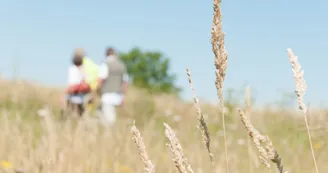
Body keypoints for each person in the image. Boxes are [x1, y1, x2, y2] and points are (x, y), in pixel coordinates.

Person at [97, 47, 129, 125]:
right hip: (118, 95)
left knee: (108, 119)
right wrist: (123, 96)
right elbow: (125, 82)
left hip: (107, 95)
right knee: (110, 115)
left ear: (106, 54)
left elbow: (100, 80)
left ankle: (108, 134)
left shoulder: (105, 64)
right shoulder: (121, 65)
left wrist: (97, 91)